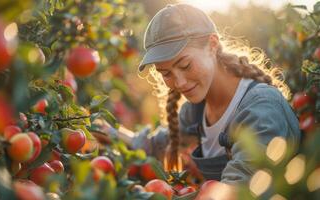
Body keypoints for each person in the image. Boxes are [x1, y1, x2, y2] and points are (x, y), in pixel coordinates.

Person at [96, 3, 301, 197]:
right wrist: (111, 133)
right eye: (165, 73)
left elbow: (241, 187)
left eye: (185, 65)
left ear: (212, 45)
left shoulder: (260, 107)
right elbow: (159, 144)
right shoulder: (196, 111)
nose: (179, 82)